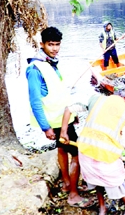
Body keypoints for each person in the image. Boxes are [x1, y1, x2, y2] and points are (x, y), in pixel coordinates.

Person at [27, 27, 93, 208]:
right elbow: (35, 101)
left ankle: (66, 183)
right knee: (78, 154)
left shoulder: (51, 63)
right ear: (42, 44)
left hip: (62, 118)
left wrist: (71, 115)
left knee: (63, 150)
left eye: (57, 45)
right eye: (50, 45)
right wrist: (45, 127)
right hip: (55, 122)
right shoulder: (35, 68)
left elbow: (58, 94)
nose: (55, 48)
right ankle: (73, 194)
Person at [61, 85, 125, 215]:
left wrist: (63, 132)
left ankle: (102, 209)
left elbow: (68, 109)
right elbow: (124, 140)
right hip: (106, 157)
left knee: (97, 181)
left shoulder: (96, 99)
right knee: (120, 186)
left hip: (86, 152)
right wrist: (118, 153)